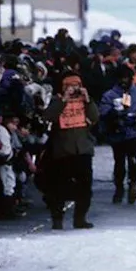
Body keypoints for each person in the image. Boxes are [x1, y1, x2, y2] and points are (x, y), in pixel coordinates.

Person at [42, 72, 99, 230]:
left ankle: (80, 218)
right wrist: (63, 100)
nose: (74, 89)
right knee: (59, 187)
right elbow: (48, 116)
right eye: (70, 86)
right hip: (63, 150)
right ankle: (57, 218)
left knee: (85, 187)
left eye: (77, 85)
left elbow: (95, 117)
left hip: (83, 149)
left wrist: (88, 101)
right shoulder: (56, 100)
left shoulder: (85, 100)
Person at [99, 64, 136, 204]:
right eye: (121, 78)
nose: (124, 81)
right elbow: (103, 112)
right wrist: (114, 113)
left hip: (133, 132)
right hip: (116, 132)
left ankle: (133, 183)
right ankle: (119, 187)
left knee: (132, 159)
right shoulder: (110, 95)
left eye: (127, 78)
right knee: (119, 161)